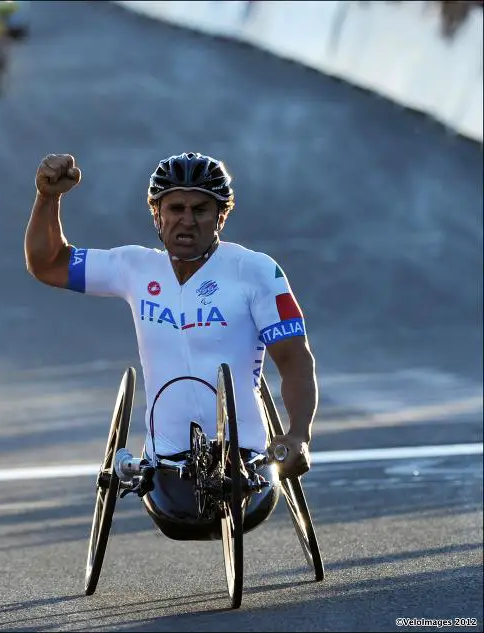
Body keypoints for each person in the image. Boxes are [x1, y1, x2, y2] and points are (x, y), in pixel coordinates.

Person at [23, 152, 319, 540]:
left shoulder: (258, 271)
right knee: (179, 517)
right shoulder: (134, 268)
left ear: (221, 216)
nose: (187, 219)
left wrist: (298, 434)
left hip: (245, 459)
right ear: (156, 215)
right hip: (164, 463)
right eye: (175, 207)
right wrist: (48, 199)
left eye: (201, 209)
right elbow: (46, 263)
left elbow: (295, 358)